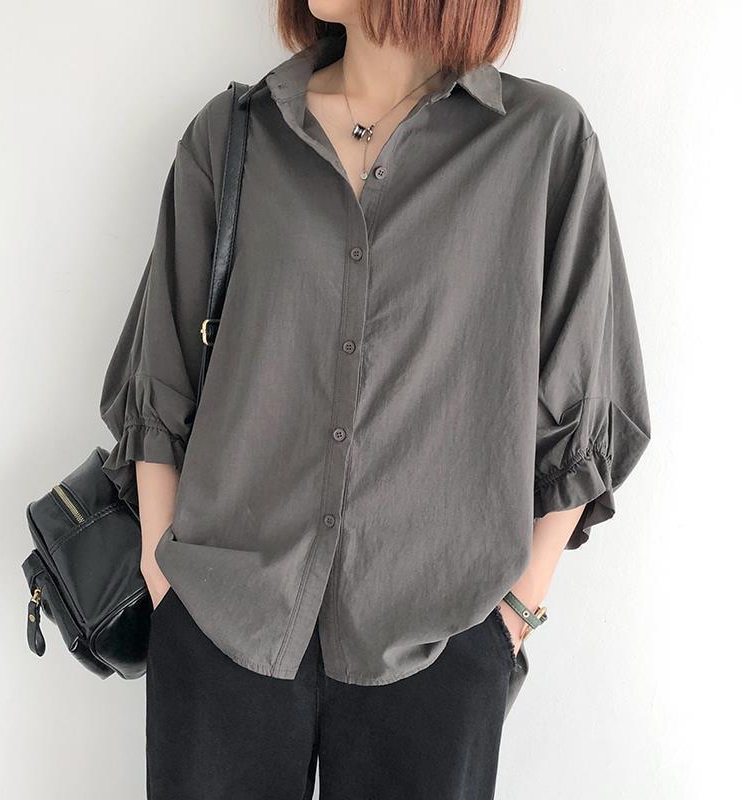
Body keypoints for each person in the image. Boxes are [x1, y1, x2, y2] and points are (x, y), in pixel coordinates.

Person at [99, 1, 651, 797]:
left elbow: (590, 403)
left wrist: (512, 622)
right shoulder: (235, 136)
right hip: (222, 619)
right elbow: (161, 377)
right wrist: (166, 581)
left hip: (442, 638)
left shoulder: (542, 144)